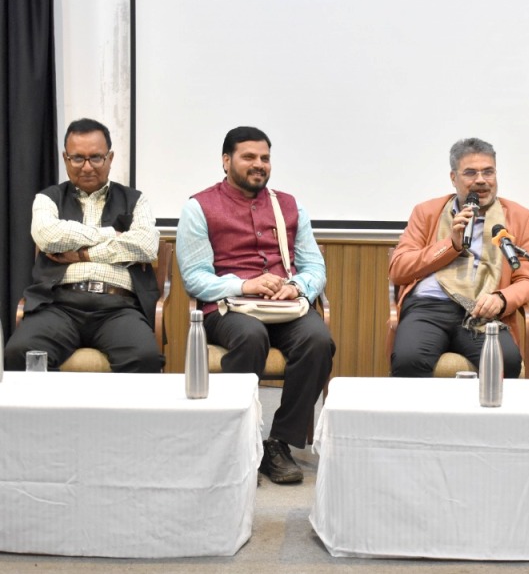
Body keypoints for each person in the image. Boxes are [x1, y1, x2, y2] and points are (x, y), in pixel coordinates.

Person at [176, 126, 335, 484]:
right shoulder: (198, 207)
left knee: (318, 340)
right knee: (251, 337)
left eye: (265, 158)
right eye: (249, 157)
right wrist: (244, 284)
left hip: (284, 307)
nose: (259, 164)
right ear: (226, 160)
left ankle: (279, 444)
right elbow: (195, 278)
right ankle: (236, 440)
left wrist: (296, 287)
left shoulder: (291, 206)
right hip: (228, 308)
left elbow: (314, 267)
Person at [5, 118, 162, 372]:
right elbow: (48, 235)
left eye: (96, 158)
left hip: (118, 307)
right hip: (58, 305)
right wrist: (111, 234)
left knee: (145, 358)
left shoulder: (136, 200)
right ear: (65, 159)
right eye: (78, 158)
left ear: (110, 158)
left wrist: (83, 255)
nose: (87, 167)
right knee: (20, 353)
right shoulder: (48, 198)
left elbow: (146, 245)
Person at [389, 138, 529, 378]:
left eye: (488, 172)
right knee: (409, 361)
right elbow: (399, 269)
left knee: (506, 362)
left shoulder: (519, 217)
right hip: (429, 306)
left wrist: (502, 299)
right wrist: (451, 245)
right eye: (470, 173)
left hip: (481, 311)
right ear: (453, 178)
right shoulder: (427, 212)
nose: (481, 180)